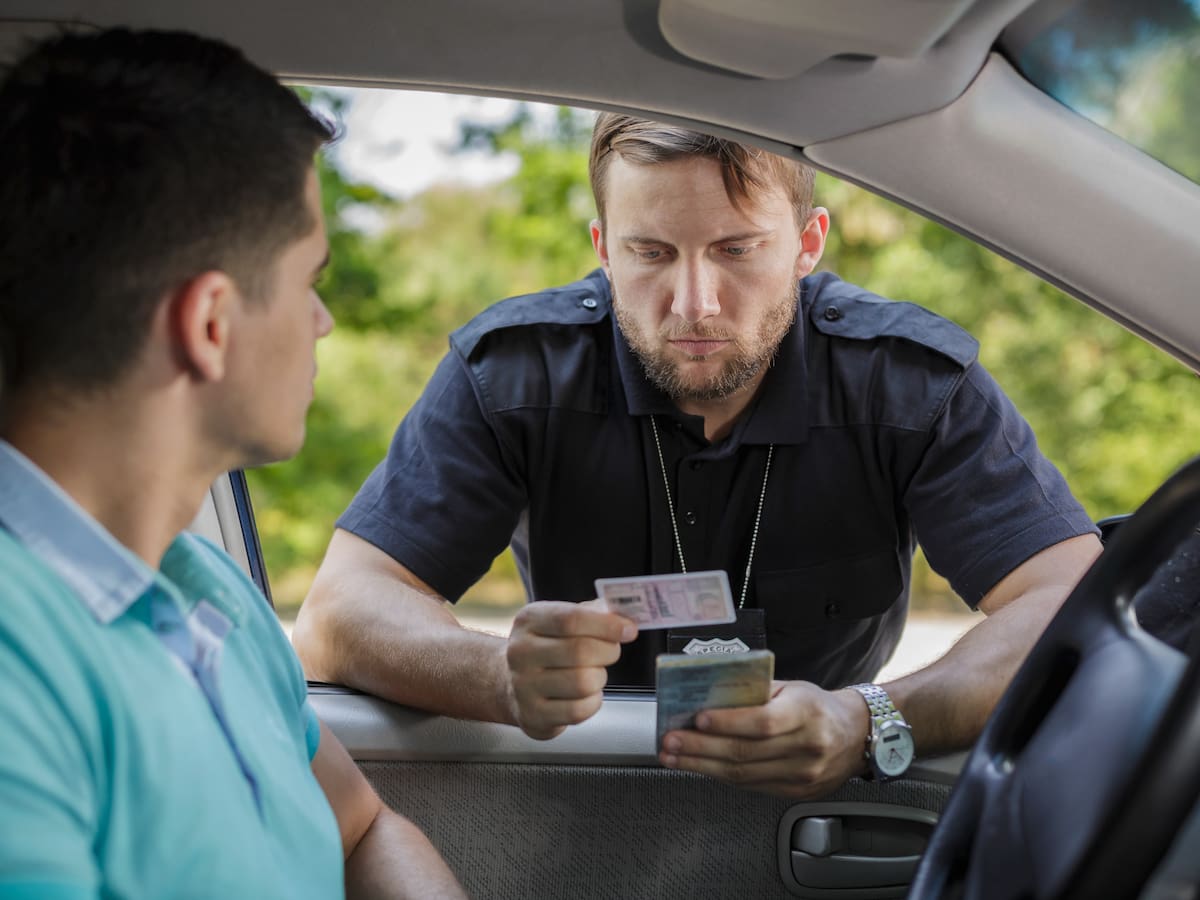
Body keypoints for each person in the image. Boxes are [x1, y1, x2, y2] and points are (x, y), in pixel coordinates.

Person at [293, 114, 1103, 799]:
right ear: (604, 248)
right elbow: (340, 612)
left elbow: (1070, 598)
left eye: (736, 249)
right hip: (581, 796)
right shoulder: (514, 372)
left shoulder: (904, 382)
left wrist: (872, 717)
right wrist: (498, 676)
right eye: (650, 254)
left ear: (807, 243)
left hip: (819, 808)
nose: (694, 303)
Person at [0, 29, 465, 898]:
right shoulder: (18, 668)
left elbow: (361, 828)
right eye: (307, 280)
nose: (322, 321)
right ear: (211, 324)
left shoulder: (206, 586)